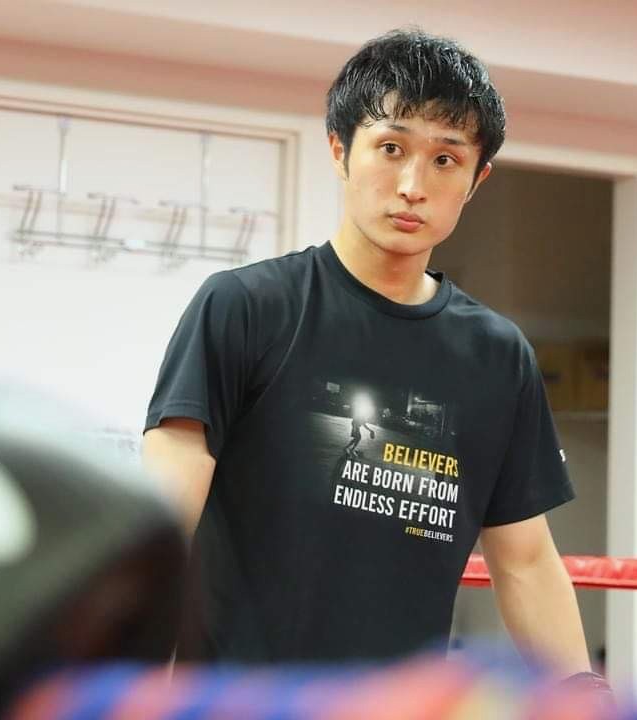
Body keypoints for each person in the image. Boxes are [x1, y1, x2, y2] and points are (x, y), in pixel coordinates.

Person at [143, 28, 595, 680]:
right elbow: (161, 528)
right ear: (340, 150)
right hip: (237, 701)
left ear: (476, 180)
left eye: (446, 160)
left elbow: (525, 562)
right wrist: (126, 690)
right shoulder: (245, 307)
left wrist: (584, 695)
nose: (412, 185)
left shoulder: (498, 357)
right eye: (391, 148)